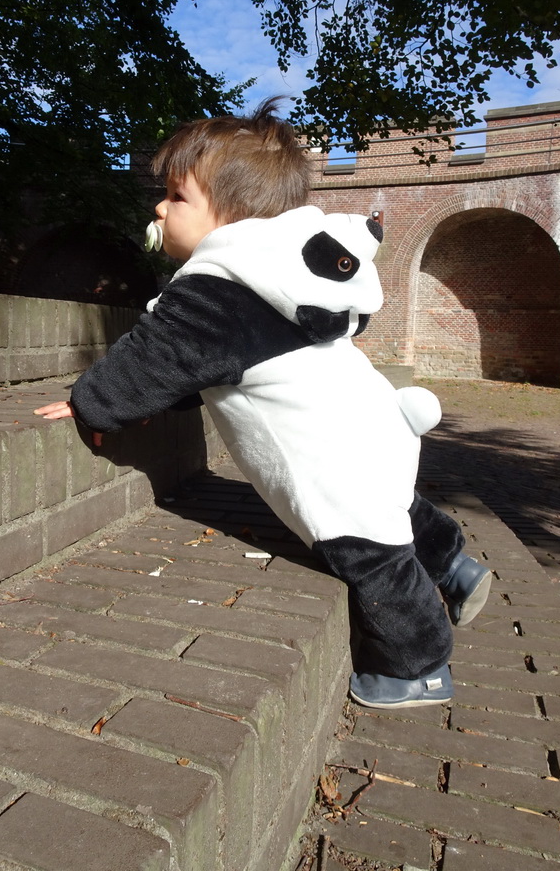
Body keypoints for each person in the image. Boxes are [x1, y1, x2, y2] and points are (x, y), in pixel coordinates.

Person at [35, 99, 491, 709]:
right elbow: (215, 366)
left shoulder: (218, 287)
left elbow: (157, 358)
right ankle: (456, 566)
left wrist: (95, 403)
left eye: (176, 196)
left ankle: (417, 668)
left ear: (228, 215)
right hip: (378, 424)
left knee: (370, 552)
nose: (159, 208)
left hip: (327, 454)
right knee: (393, 504)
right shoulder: (280, 274)